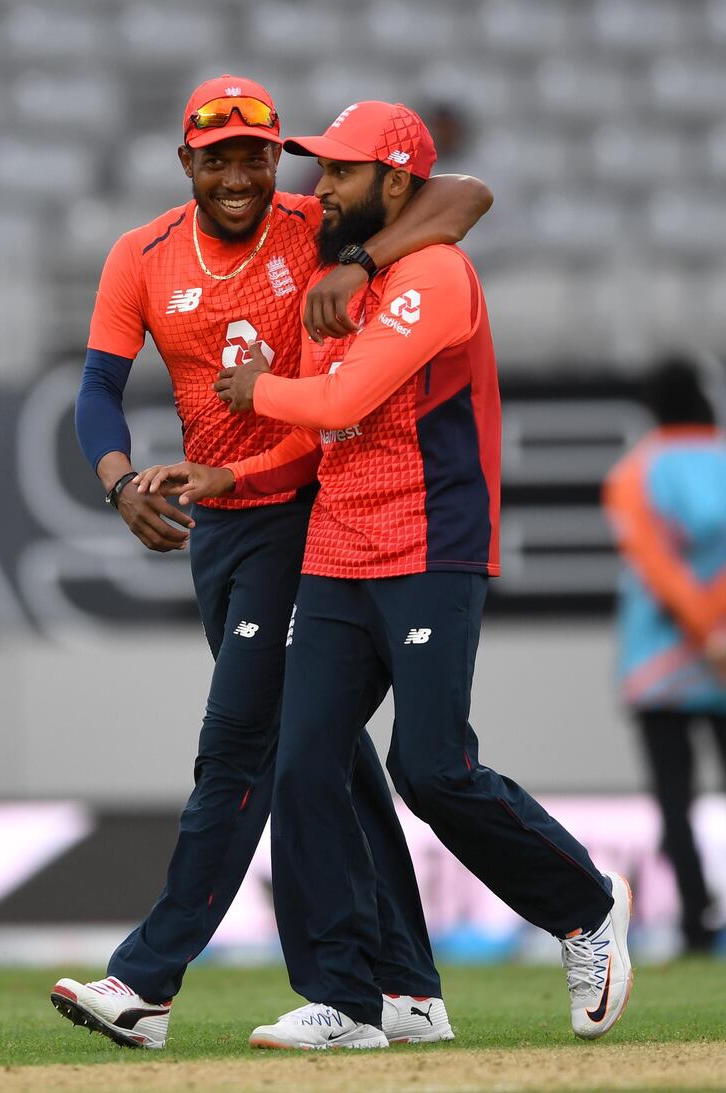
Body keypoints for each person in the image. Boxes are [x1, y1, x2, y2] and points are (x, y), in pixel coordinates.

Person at [142, 100, 634, 1050]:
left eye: (338, 173)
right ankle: (349, 998)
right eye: (320, 171)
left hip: (430, 541)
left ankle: (586, 906)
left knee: (429, 766)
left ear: (395, 183)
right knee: (303, 761)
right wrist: (232, 471)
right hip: (336, 544)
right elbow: (316, 435)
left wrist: (252, 390)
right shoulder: (342, 275)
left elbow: (343, 398)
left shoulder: (437, 276)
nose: (316, 188)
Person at [49, 74, 493, 1050]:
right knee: (322, 753)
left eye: (257, 153)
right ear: (187, 164)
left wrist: (363, 254)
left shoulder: (316, 220)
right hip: (221, 524)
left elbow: (460, 195)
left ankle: (147, 979)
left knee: (240, 747)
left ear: (275, 155)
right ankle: (408, 987)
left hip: (305, 510)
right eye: (220, 158)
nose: (242, 174)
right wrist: (121, 481)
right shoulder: (142, 255)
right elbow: (95, 387)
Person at [603, 358, 726, 954]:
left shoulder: (634, 472)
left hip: (657, 665)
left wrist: (698, 628)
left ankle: (696, 925)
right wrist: (717, 630)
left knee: (675, 802)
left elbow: (654, 564)